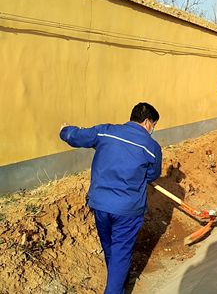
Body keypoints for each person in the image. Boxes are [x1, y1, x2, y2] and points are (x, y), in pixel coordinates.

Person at [59, 102, 162, 294]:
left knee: (109, 246)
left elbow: (76, 136)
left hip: (100, 204)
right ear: (148, 121)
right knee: (121, 252)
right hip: (128, 210)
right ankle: (115, 288)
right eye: (153, 125)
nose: (152, 129)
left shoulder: (106, 132)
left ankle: (118, 281)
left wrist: (64, 130)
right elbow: (152, 175)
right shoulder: (152, 147)